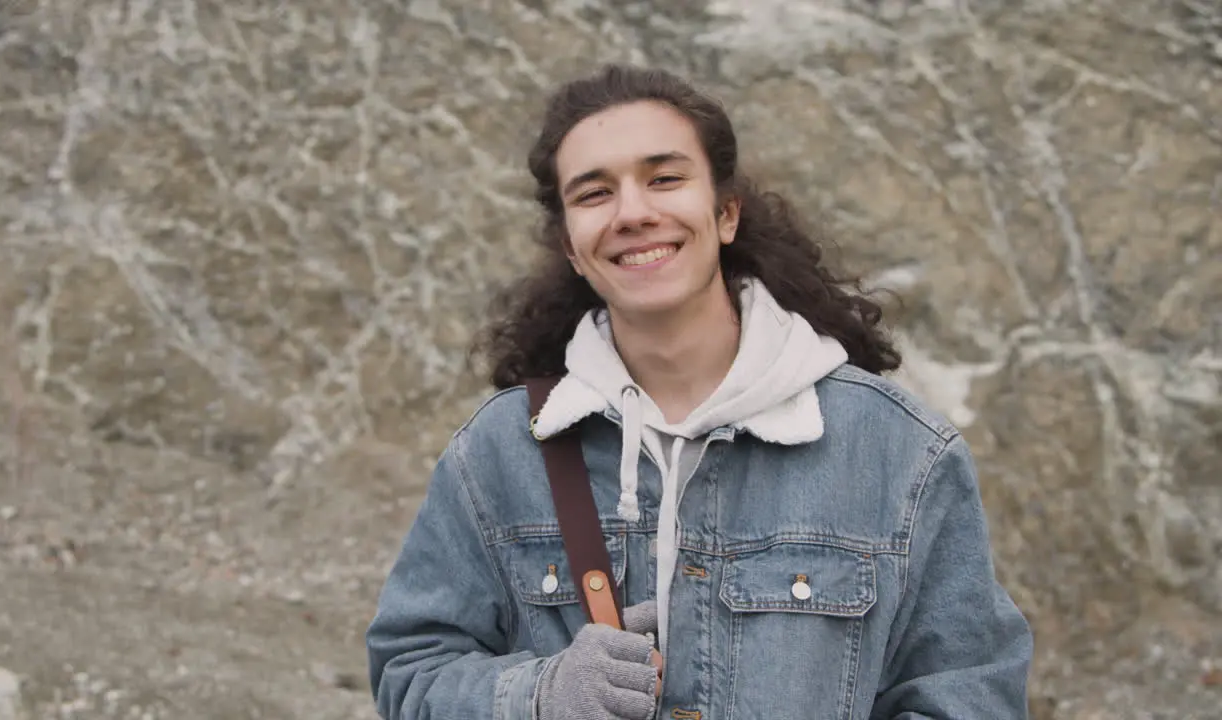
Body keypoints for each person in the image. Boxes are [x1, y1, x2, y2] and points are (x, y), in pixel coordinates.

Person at [366, 64, 1033, 720]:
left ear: (725, 213)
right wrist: (538, 696)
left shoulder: (900, 453)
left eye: (664, 178)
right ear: (571, 247)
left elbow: (970, 693)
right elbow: (410, 670)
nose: (633, 212)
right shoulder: (498, 454)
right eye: (594, 194)